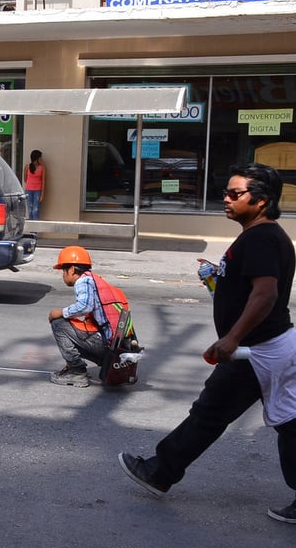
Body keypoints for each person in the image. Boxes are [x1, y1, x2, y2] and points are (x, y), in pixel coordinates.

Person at [118, 163, 296, 524]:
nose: (225, 199)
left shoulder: (262, 237)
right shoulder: (259, 235)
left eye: (235, 194)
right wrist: (218, 281)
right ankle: (161, 471)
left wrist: (231, 338)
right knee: (280, 421)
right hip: (263, 347)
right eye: (226, 192)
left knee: (214, 413)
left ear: (261, 201)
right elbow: (247, 290)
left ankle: (161, 472)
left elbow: (265, 295)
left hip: (257, 351)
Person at [47, 245, 112, 388]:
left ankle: (76, 371)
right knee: (72, 326)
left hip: (106, 345)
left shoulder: (83, 281)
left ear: (71, 270)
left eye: (63, 271)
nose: (63, 276)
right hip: (112, 344)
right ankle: (80, 366)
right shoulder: (94, 279)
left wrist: (60, 312)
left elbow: (85, 306)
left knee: (58, 323)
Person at [22, 149, 45, 220]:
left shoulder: (42, 168)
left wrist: (42, 194)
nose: (41, 159)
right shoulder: (27, 167)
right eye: (40, 157)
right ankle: (32, 229)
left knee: (35, 210)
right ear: (36, 158)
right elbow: (25, 179)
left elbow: (44, 181)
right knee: (30, 210)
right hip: (29, 190)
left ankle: (35, 229)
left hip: (37, 191)